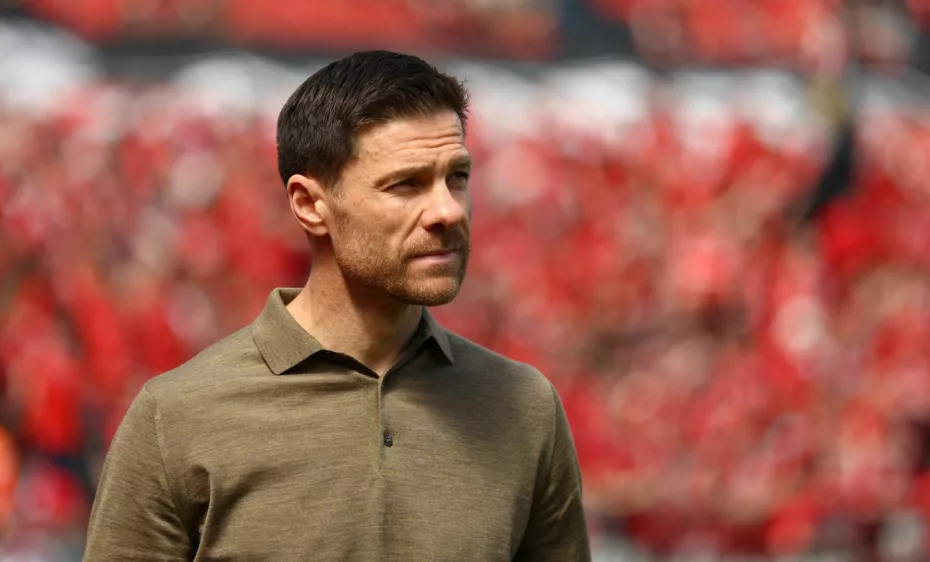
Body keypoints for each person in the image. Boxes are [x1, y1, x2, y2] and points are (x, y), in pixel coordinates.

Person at [83, 51, 590, 561]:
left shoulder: (527, 408)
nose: (447, 210)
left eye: (456, 176)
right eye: (405, 184)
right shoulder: (176, 417)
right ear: (309, 204)